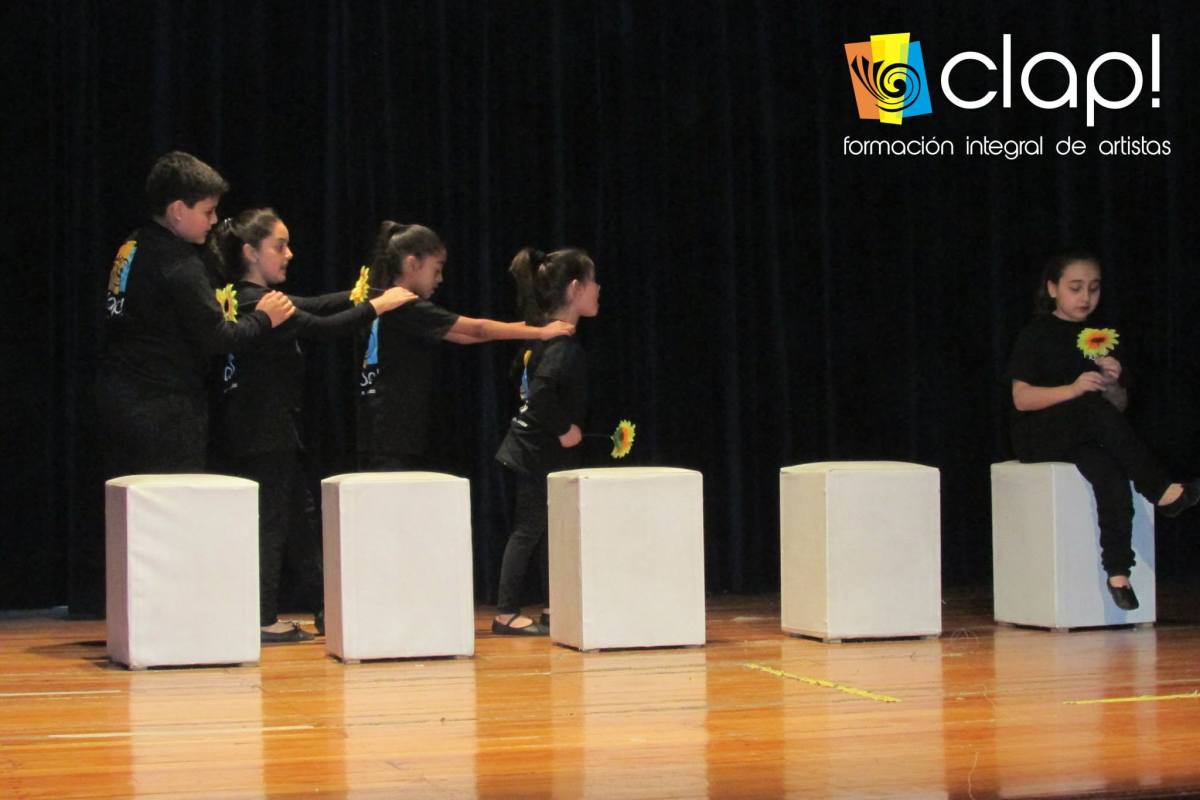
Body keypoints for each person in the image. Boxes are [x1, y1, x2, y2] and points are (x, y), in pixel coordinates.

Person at [82, 152, 294, 618]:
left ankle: (134, 617)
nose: (215, 222)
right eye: (208, 211)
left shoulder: (132, 245)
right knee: (167, 516)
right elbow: (219, 338)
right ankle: (167, 619)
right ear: (178, 210)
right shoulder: (178, 262)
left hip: (119, 395)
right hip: (162, 408)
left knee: (132, 519)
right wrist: (264, 318)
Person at [206, 208, 417, 643]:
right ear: (250, 252)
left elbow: (315, 306)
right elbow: (322, 328)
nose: (289, 254)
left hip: (269, 430)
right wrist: (378, 305)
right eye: (279, 246)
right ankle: (263, 617)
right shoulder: (255, 303)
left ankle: (326, 607)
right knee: (273, 523)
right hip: (262, 432)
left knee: (298, 520)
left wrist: (361, 294)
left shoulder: (249, 296)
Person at [1007, 251, 1200, 610]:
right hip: (1040, 433)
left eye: (1093, 289)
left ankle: (1118, 572)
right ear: (1053, 289)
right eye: (1075, 288)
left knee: (1109, 472)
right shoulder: (1035, 334)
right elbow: (1022, 398)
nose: (1085, 297)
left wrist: (1111, 383)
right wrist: (1074, 389)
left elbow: (1118, 409)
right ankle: (1160, 489)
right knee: (1090, 407)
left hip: (1086, 432)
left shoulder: (1099, 337)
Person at [356, 222, 574, 470]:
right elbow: (475, 329)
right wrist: (541, 332)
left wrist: (528, 327)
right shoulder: (405, 305)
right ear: (412, 263)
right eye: (437, 269)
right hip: (391, 429)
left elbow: (465, 336)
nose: (440, 278)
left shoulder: (390, 302)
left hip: (382, 427)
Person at [493, 247, 600, 635]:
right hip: (534, 452)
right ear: (575, 288)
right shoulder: (560, 345)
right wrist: (564, 428)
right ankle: (506, 612)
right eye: (592, 281)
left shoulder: (545, 338)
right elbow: (539, 395)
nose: (598, 288)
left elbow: (520, 379)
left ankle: (554, 605)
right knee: (529, 529)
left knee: (549, 529)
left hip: (536, 451)